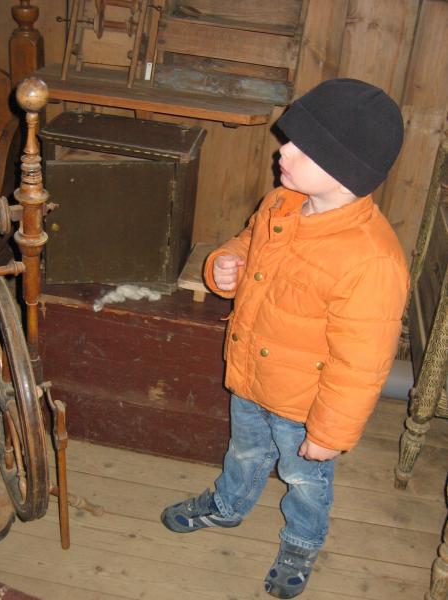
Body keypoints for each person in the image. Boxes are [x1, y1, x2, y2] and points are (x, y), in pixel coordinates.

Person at [161, 78, 410, 598]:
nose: (284, 151)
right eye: (291, 139)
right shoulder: (282, 204)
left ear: (346, 170)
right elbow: (248, 243)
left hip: (305, 406)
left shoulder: (372, 261)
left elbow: (361, 365)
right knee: (244, 452)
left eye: (304, 147)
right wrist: (224, 264)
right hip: (251, 374)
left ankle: (301, 540)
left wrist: (328, 432)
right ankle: (229, 504)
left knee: (305, 479)